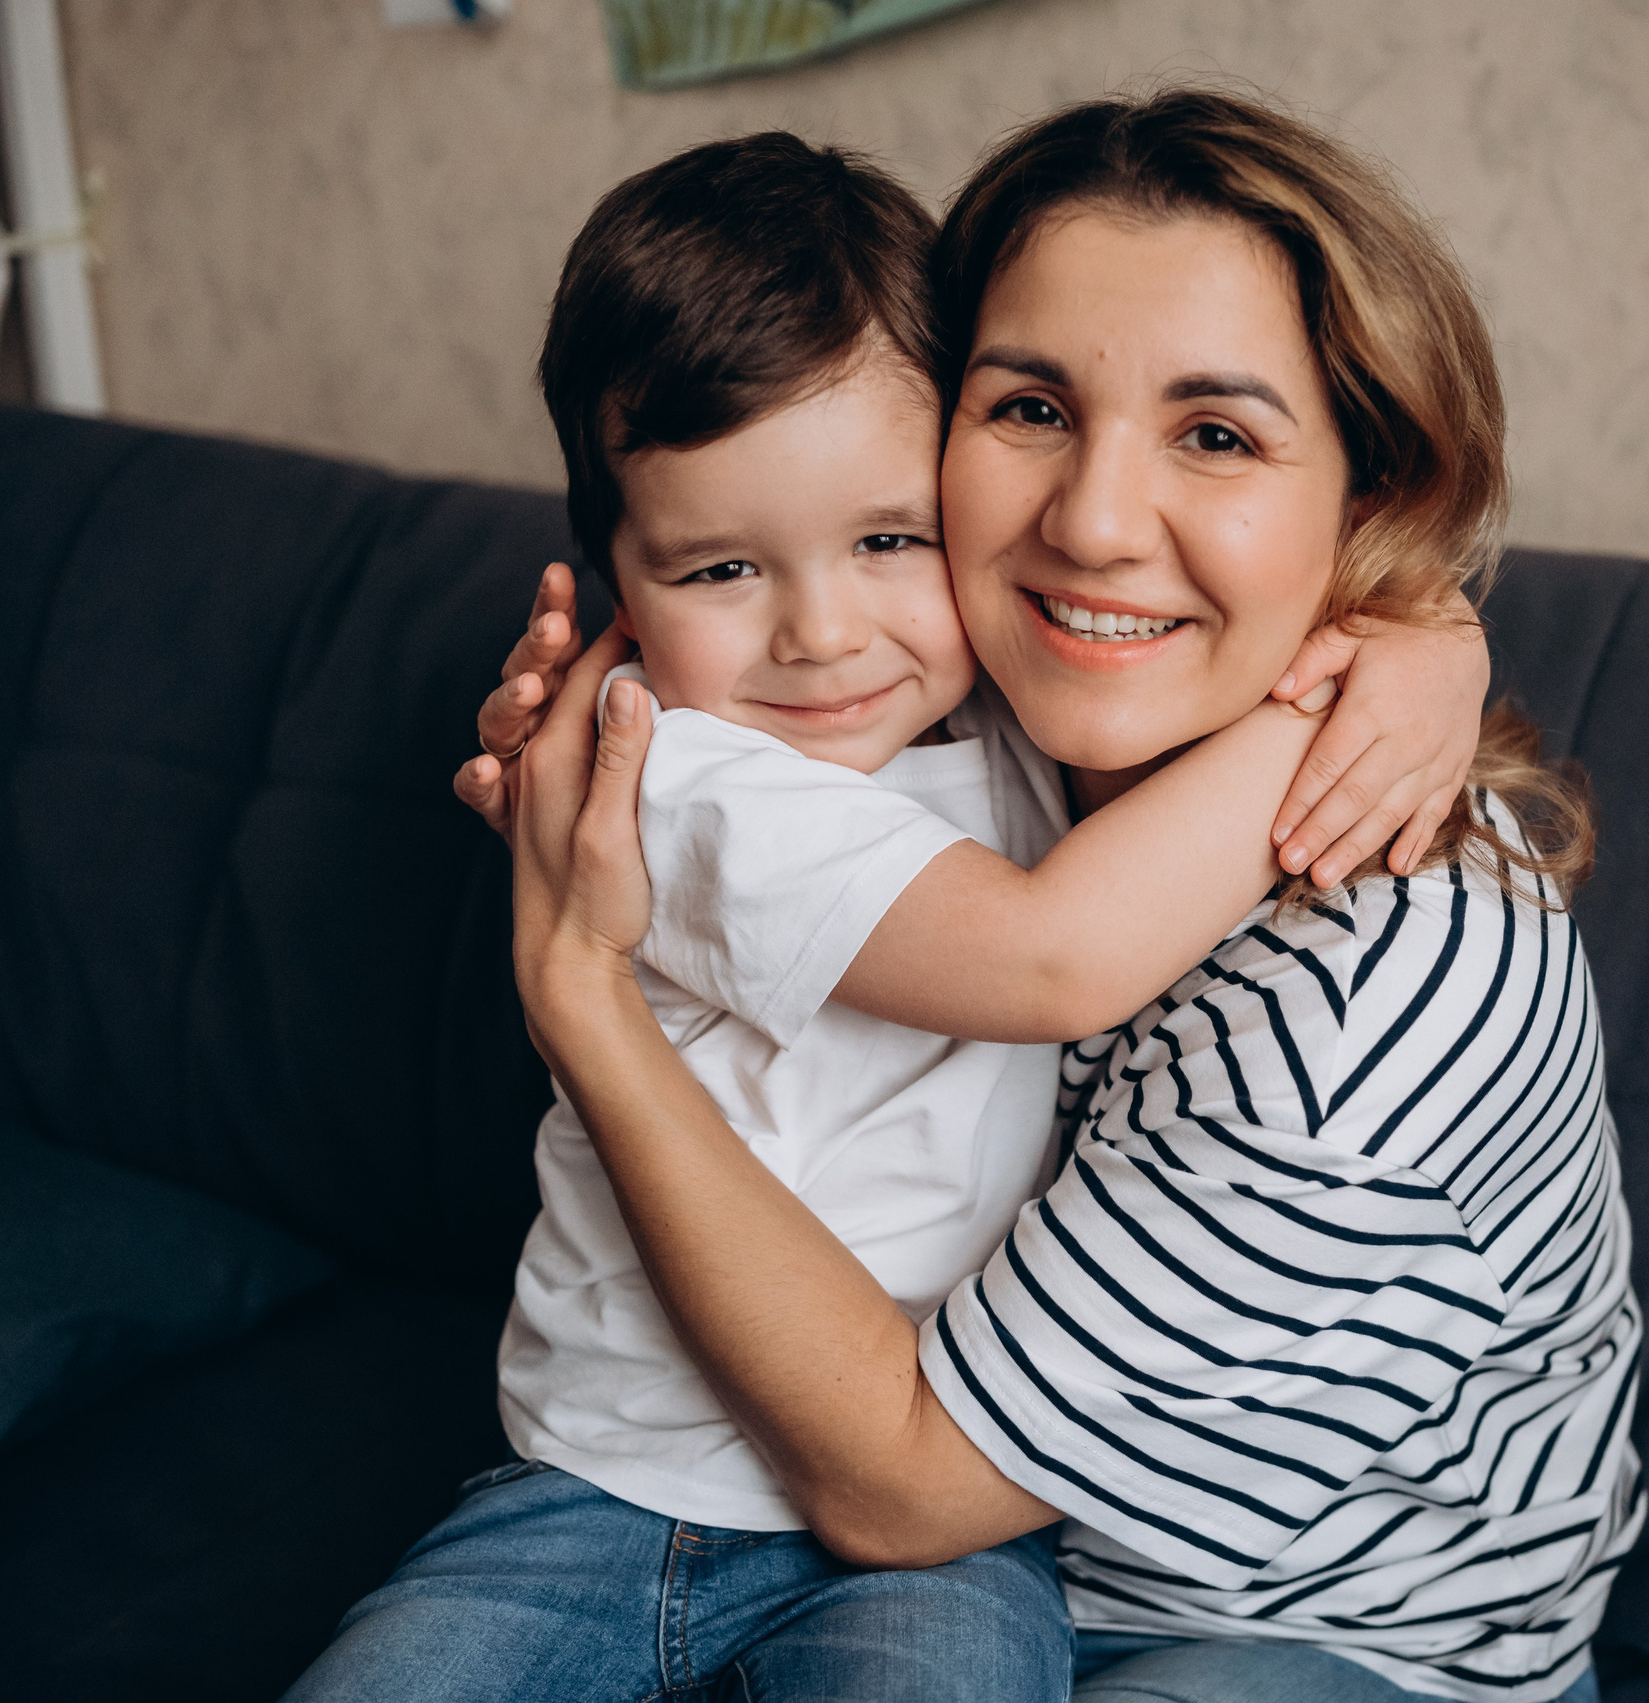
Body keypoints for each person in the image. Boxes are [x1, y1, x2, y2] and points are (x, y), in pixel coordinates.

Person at [286, 129, 1492, 1703]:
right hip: (603, 1494)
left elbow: (1207, 589)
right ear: (621, 584)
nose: (825, 635)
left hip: (948, 1533)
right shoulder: (683, 775)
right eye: (721, 568)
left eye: (885, 539)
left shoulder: (1009, 686)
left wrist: (1426, 631)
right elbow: (1052, 959)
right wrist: (1345, 702)